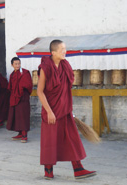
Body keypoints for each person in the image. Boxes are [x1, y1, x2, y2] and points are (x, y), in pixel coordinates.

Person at [37, 40, 96, 180]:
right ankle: (48, 170)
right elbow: (40, 91)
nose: (65, 51)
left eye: (65, 48)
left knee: (71, 137)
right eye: (62, 49)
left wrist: (68, 106)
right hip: (51, 110)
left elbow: (65, 88)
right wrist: (49, 111)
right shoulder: (46, 67)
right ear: (53, 52)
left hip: (64, 109)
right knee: (50, 140)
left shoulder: (65, 65)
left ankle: (78, 168)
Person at [6, 57, 33, 143]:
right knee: (17, 116)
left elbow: (28, 85)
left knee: (23, 116)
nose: (18, 65)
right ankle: (20, 133)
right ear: (12, 65)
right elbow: (10, 87)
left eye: (19, 64)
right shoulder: (12, 75)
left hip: (23, 98)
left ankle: (24, 134)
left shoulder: (25, 73)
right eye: (16, 64)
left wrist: (20, 88)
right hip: (15, 97)